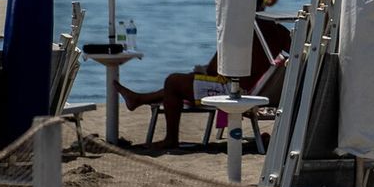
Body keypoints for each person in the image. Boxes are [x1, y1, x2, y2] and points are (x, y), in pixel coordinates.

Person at [116, 17, 291, 150]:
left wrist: (203, 71)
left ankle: (170, 138)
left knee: (173, 82)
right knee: (182, 84)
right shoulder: (279, 32)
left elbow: (216, 69)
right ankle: (139, 99)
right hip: (254, 89)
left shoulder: (244, 31)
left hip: (234, 91)